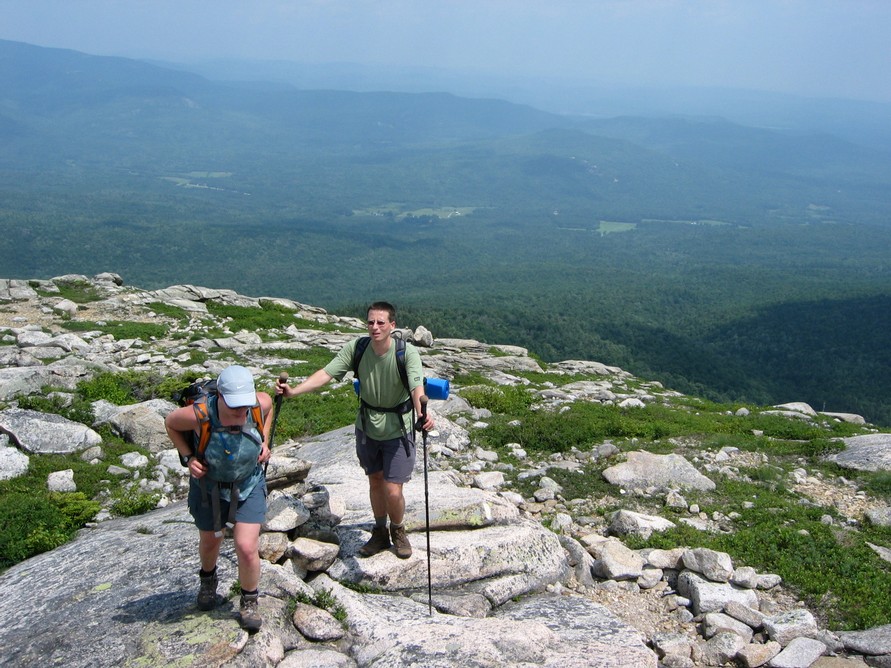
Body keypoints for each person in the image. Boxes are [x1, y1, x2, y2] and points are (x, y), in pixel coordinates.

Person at [275, 301, 433, 559]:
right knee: (375, 481)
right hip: (368, 426)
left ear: (392, 325)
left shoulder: (407, 353)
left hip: (398, 428)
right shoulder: (357, 348)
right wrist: (293, 392)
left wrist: (422, 414)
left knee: (394, 489)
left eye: (381, 322)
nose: (375, 327)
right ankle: (380, 531)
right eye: (371, 322)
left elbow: (417, 388)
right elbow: (326, 374)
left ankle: (398, 530)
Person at [164, 365, 273, 632]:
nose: (240, 411)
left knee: (246, 547)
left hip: (248, 483)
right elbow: (171, 423)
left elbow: (267, 412)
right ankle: (208, 580)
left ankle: (249, 601)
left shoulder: (259, 404)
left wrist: (264, 442)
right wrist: (188, 458)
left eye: (243, 405)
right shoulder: (200, 414)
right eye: (233, 406)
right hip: (209, 487)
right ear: (219, 397)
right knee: (211, 540)